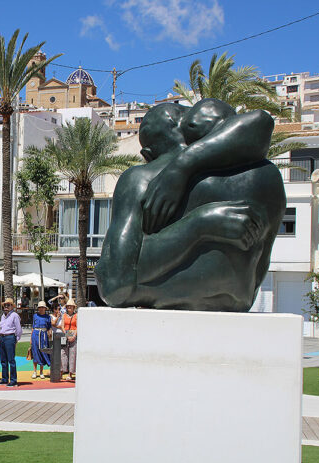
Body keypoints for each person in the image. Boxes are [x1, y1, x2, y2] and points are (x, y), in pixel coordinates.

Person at [95, 99, 285, 311]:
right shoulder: (266, 176)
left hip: (163, 300)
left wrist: (182, 171)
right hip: (238, 300)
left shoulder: (141, 179)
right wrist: (201, 223)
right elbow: (261, 120)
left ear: (147, 154)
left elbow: (114, 284)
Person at [0, 298, 21, 387]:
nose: (6, 307)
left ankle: (13, 380)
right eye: (5, 305)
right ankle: (4, 378)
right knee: (3, 360)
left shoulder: (14, 315)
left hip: (10, 337)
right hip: (2, 337)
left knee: (11, 359)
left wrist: (16, 339)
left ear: (12, 306)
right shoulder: (3, 316)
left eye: (8, 305)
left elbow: (18, 329)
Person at [30, 301, 52, 379]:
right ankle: (35, 371)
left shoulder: (48, 317)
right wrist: (31, 339)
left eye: (43, 307)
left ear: (45, 308)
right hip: (35, 335)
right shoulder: (35, 316)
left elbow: (49, 328)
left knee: (43, 352)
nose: (41, 309)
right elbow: (33, 327)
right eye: (40, 307)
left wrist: (50, 335)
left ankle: (41, 372)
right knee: (35, 353)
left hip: (44, 335)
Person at [61, 299, 78, 381]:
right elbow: (62, 326)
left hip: (73, 332)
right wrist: (67, 335)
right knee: (62, 353)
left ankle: (70, 373)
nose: (69, 308)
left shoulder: (77, 315)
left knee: (72, 353)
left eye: (70, 306)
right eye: (68, 306)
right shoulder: (64, 315)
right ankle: (62, 370)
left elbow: (78, 326)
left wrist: (74, 336)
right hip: (66, 334)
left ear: (74, 307)